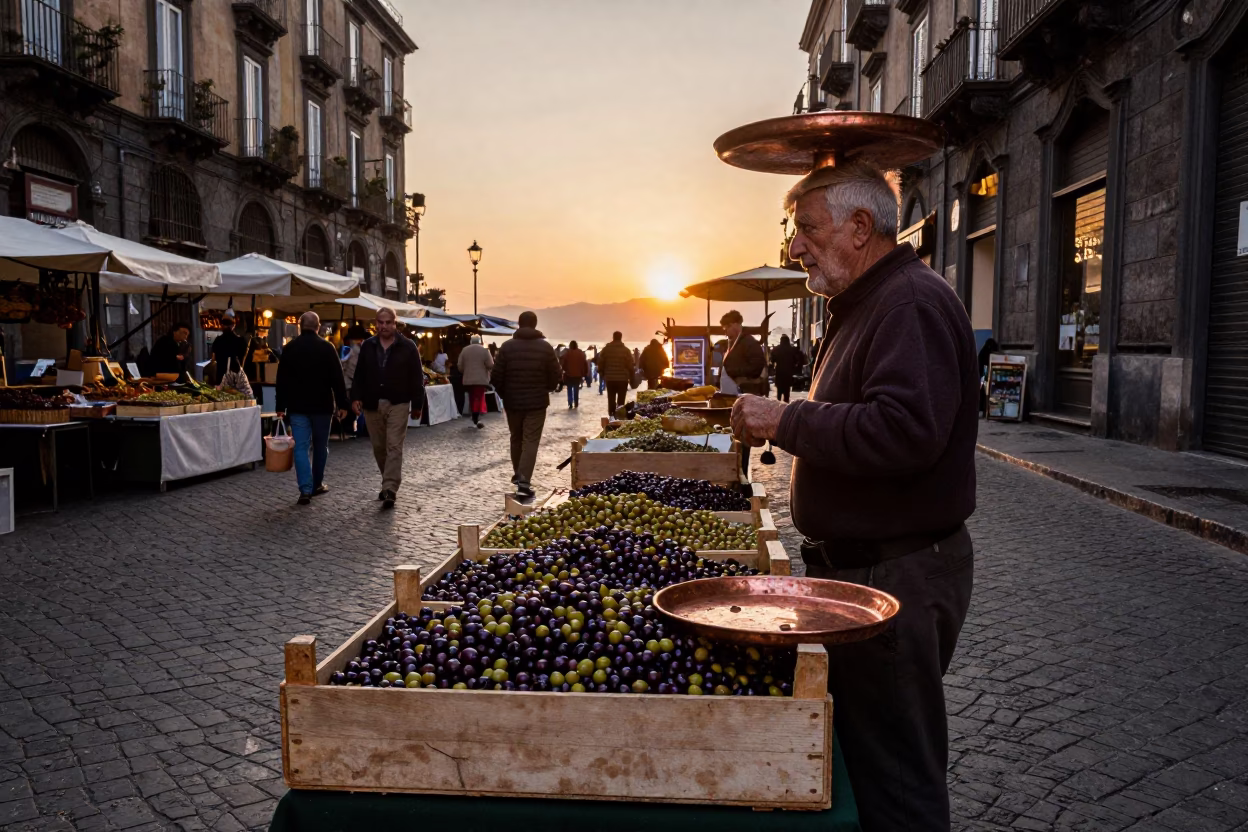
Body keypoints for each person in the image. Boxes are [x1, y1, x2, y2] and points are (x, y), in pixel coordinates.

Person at [730, 160, 978, 832]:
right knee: (873, 757)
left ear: (860, 227)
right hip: (869, 570)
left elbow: (905, 432)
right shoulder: (871, 302)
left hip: (892, 576)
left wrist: (786, 420)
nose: (794, 247)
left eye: (807, 229)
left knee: (897, 777)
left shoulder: (910, 305)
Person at [350, 307, 426, 509]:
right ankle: (387, 480)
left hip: (399, 402)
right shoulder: (368, 346)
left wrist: (418, 404)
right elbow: (360, 374)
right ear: (376, 323)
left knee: (394, 446)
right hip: (373, 402)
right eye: (380, 322)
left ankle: (390, 488)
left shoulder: (408, 346)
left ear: (395, 323)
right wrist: (355, 397)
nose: (384, 326)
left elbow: (417, 378)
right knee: (379, 447)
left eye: (388, 322)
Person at [275, 312, 350, 505]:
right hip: (322, 406)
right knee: (320, 446)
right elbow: (337, 378)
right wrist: (343, 404)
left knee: (300, 447)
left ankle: (305, 489)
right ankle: (317, 483)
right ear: (318, 327)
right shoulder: (327, 347)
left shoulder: (289, 348)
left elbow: (282, 380)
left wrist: (280, 406)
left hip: (297, 405)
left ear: (300, 326)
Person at [490, 311, 561, 499]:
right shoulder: (545, 348)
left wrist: (505, 394)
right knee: (530, 440)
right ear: (535, 324)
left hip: (512, 402)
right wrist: (547, 388)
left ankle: (519, 476)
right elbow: (556, 374)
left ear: (519, 325)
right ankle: (523, 482)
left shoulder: (506, 347)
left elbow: (496, 376)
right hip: (537, 402)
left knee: (516, 438)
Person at [458, 334, 494, 429]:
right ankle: (476, 417)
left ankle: (475, 416)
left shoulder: (464, 350)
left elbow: (460, 366)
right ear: (479, 341)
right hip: (480, 379)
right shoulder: (484, 350)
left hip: (468, 379)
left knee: (472, 397)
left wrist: (465, 371)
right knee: (478, 397)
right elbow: (490, 364)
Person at [597, 332, 635, 416]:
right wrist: (631, 376)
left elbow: (600, 362)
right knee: (621, 400)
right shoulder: (626, 350)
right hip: (622, 379)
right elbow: (630, 365)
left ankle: (611, 415)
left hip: (610, 378)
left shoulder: (606, 349)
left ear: (613, 337)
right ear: (621, 338)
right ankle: (619, 416)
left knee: (611, 398)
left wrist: (602, 373)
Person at [210, 314, 246, 383]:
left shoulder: (218, 340)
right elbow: (243, 358)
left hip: (221, 373)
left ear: (222, 326)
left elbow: (213, 358)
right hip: (235, 373)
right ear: (233, 326)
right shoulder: (240, 340)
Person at [769, 334, 802, 403]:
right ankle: (786, 405)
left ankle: (778, 406)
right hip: (788, 373)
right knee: (787, 392)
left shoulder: (776, 349)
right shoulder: (792, 349)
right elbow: (797, 360)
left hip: (779, 373)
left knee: (779, 392)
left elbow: (772, 360)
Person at [560, 340, 589, 409]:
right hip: (578, 375)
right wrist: (585, 373)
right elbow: (585, 364)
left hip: (569, 374)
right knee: (576, 389)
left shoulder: (567, 353)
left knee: (569, 389)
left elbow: (563, 363)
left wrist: (564, 370)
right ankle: (576, 403)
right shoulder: (581, 353)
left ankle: (570, 403)